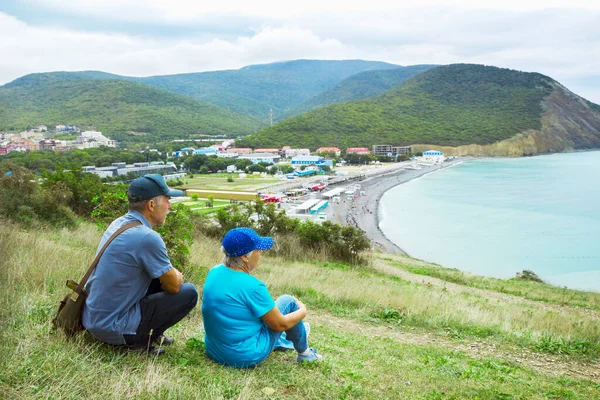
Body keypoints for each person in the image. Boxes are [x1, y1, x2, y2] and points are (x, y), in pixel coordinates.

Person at [83, 174, 198, 354]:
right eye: (167, 200)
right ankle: (139, 342)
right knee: (188, 293)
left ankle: (152, 332)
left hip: (94, 319)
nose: (170, 206)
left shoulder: (120, 223)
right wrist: (174, 275)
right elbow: (174, 286)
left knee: (156, 278)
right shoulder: (146, 237)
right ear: (151, 205)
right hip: (113, 327)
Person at [202, 227, 322, 368]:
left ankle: (285, 340)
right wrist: (302, 311)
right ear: (245, 257)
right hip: (245, 355)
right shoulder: (253, 287)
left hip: (215, 350)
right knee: (288, 301)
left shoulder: (214, 272)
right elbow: (280, 324)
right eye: (258, 249)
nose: (261, 252)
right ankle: (306, 354)